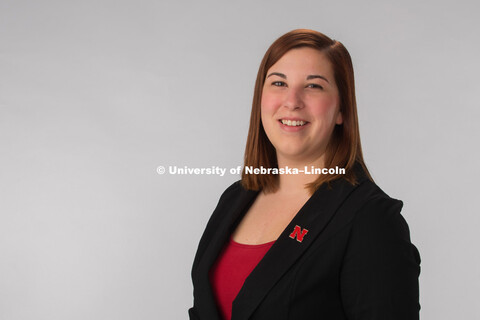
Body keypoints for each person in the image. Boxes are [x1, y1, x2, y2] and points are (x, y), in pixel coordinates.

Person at [188, 29, 421, 320]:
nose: (292, 101)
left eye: (313, 86)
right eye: (278, 83)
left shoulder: (369, 217)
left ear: (341, 109)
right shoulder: (235, 198)